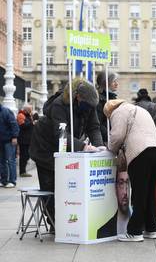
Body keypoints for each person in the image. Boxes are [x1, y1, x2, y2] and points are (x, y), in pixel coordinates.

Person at [29, 78, 104, 224]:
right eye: (88, 105)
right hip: (44, 147)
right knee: (51, 186)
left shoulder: (90, 104)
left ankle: (68, 221)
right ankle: (54, 222)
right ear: (78, 97)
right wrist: (83, 146)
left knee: (67, 186)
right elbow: (61, 134)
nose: (90, 109)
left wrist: (99, 146)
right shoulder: (59, 105)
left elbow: (94, 127)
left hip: (64, 146)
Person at [104, 99, 156, 242]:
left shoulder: (118, 112)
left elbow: (117, 136)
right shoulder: (139, 110)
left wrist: (110, 150)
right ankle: (151, 229)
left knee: (139, 193)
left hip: (141, 153)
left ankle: (134, 231)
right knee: (150, 192)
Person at [97, 150, 130, 239]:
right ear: (115, 188)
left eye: (127, 183)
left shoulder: (141, 224)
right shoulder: (103, 231)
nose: (125, 192)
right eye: (121, 183)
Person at [96, 71, 119, 144]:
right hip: (105, 141)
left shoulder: (112, 98)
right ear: (106, 83)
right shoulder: (99, 100)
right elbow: (98, 123)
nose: (116, 84)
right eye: (113, 81)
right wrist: (111, 137)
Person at [0, 104, 19, 188]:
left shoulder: (6, 111)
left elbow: (14, 124)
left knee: (11, 160)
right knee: (1, 161)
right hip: (1, 140)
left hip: (8, 140)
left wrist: (14, 136)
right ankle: (3, 180)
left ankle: (12, 181)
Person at [17, 104, 34, 177]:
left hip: (28, 139)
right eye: (30, 109)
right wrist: (32, 123)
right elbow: (23, 126)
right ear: (26, 109)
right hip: (23, 139)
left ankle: (23, 170)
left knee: (27, 155)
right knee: (24, 156)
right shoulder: (21, 115)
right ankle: (22, 171)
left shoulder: (28, 116)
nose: (31, 111)